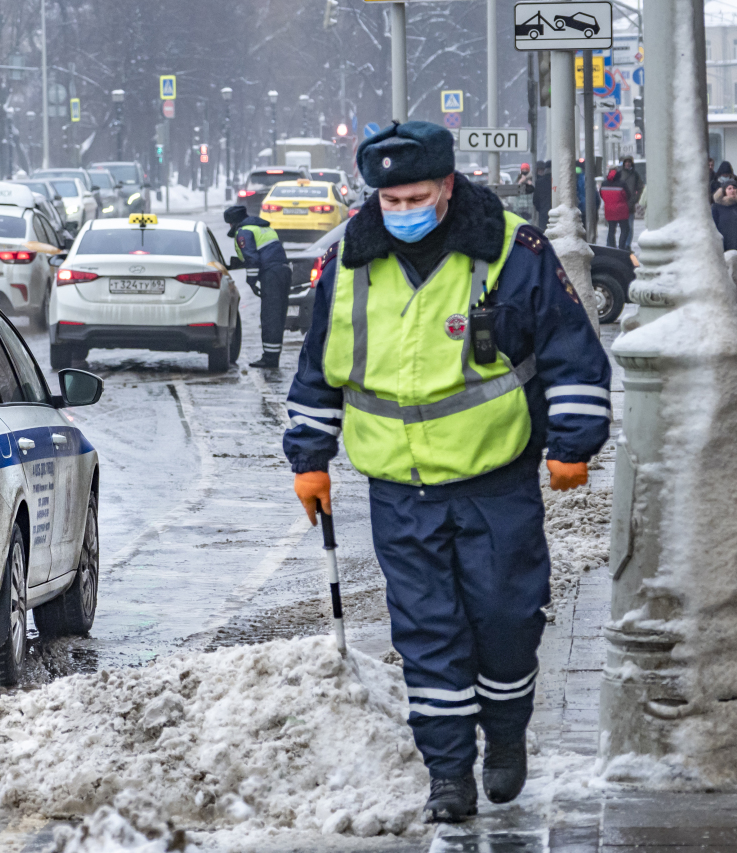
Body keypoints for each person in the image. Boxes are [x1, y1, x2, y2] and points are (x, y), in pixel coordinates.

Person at [283, 120, 611, 823]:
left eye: (415, 195)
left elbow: (568, 346)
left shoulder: (510, 250)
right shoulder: (348, 261)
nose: (401, 210)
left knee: (505, 617)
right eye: (390, 198)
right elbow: (318, 367)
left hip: (495, 478)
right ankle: (449, 774)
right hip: (400, 489)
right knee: (427, 632)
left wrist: (574, 443)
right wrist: (309, 457)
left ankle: (505, 735)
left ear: (448, 186)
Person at [224, 204, 291, 368]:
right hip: (283, 271)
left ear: (233, 223)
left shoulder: (244, 232)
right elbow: (263, 253)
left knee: (270, 316)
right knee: (277, 315)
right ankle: (272, 356)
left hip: (272, 274)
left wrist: (251, 281)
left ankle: (269, 359)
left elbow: (253, 259)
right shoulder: (262, 228)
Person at [600, 169, 632, 250]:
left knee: (611, 229)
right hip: (621, 210)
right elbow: (628, 195)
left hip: (609, 210)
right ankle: (621, 247)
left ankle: (612, 247)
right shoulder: (622, 184)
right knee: (625, 229)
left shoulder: (604, 184)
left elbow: (601, 195)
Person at [712, 183, 737, 252]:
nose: (732, 190)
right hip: (725, 245)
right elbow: (714, 225)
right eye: (729, 188)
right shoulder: (716, 207)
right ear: (724, 192)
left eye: (734, 188)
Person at [532, 161, 552, 228]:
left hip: (543, 213)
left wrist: (541, 209)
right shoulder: (557, 181)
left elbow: (535, 200)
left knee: (543, 232)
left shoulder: (539, 182)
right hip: (557, 212)